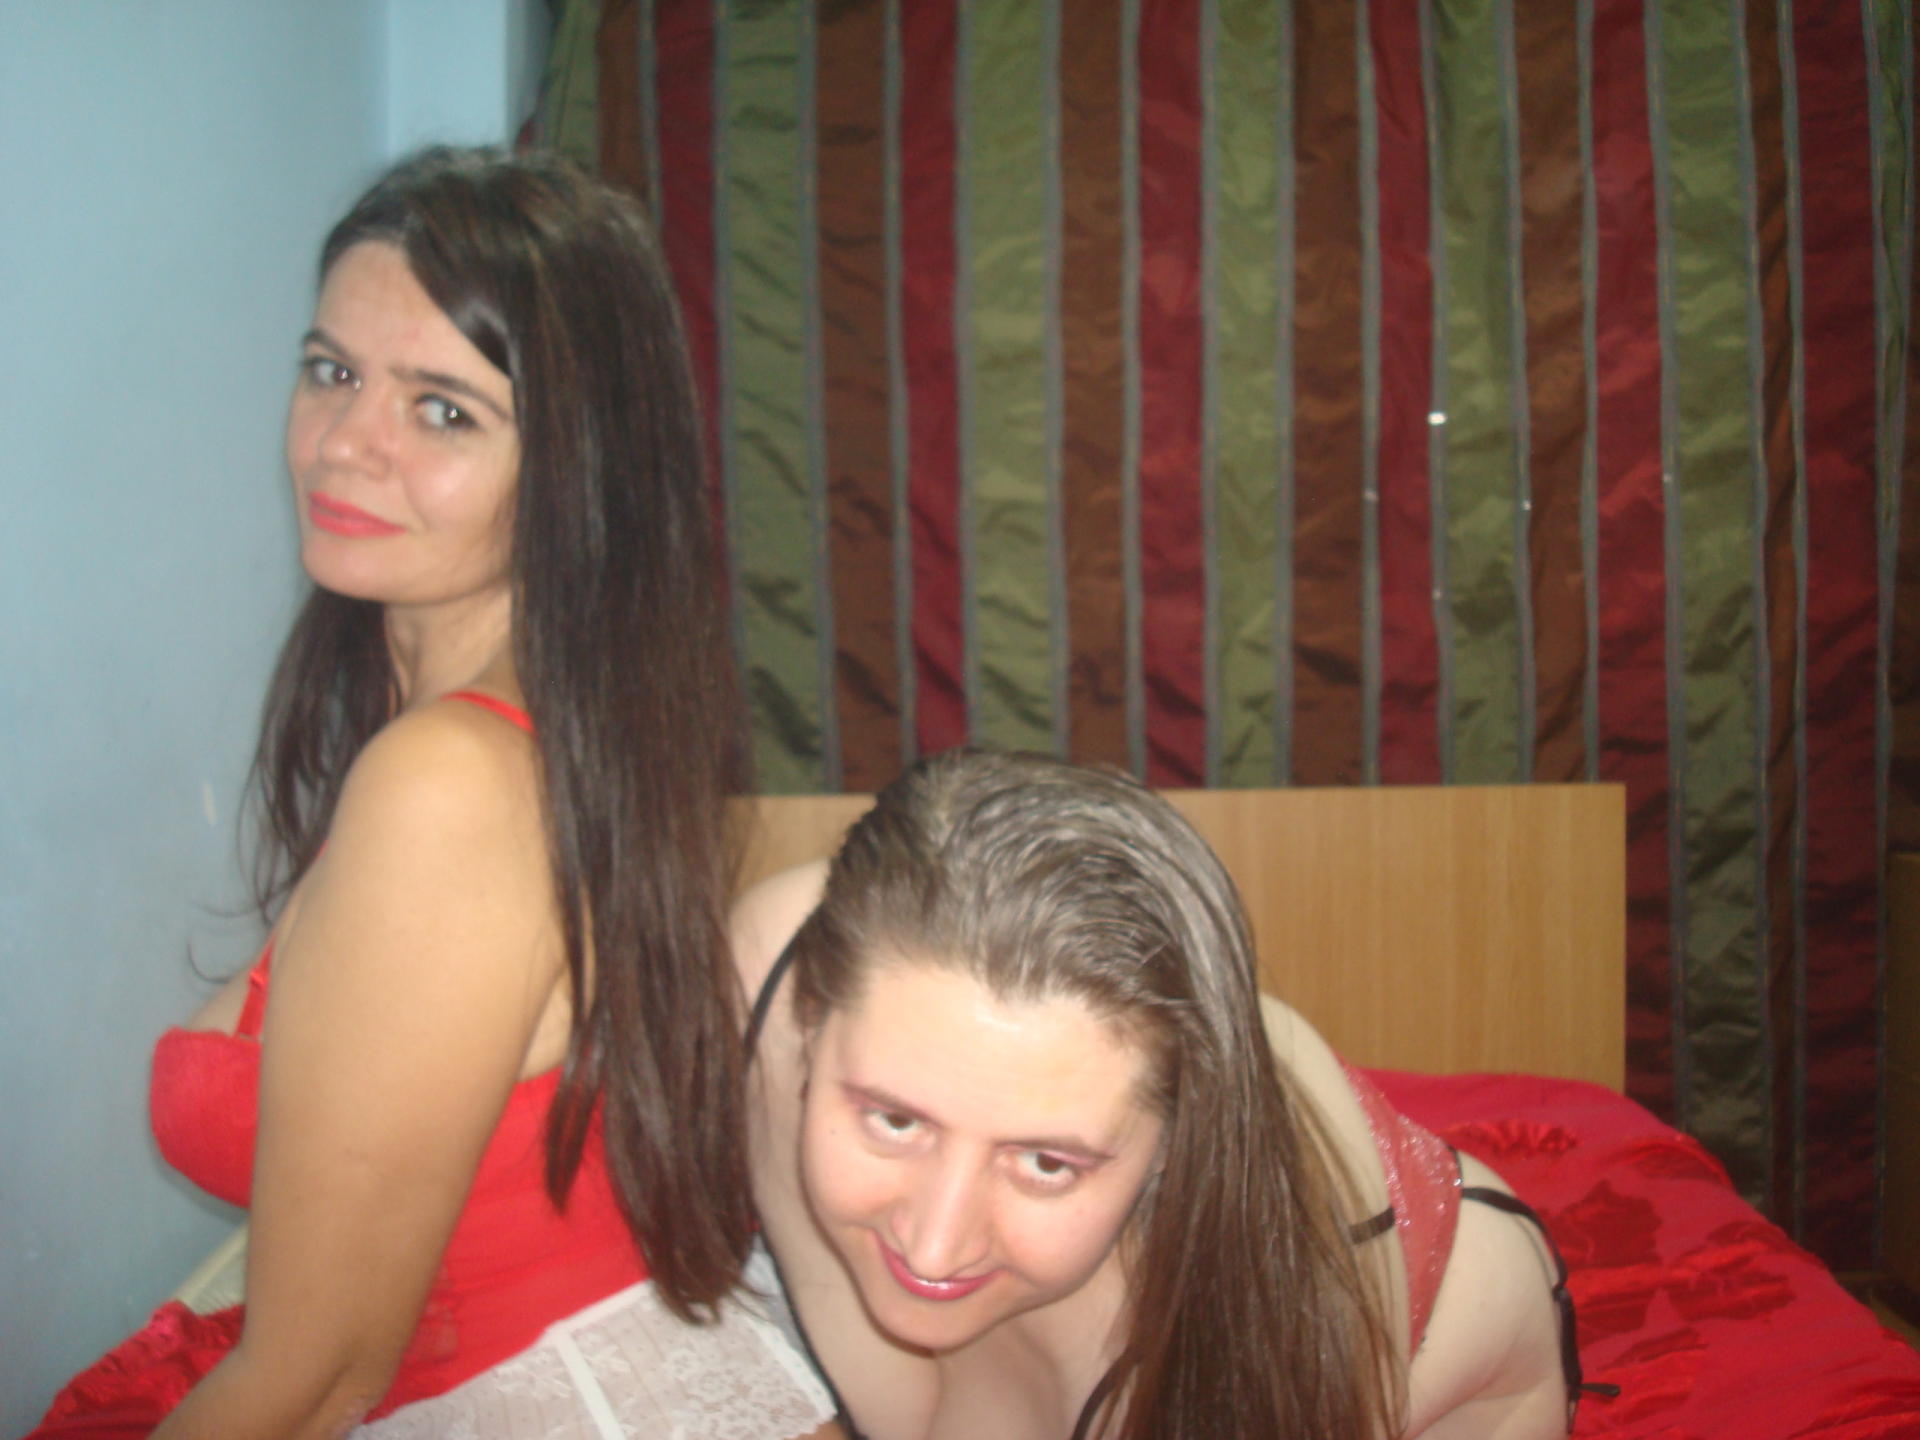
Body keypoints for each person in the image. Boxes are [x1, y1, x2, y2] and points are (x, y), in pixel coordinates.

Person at [31, 147, 836, 1439]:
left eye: (444, 411)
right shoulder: (554, 727)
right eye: (332, 371)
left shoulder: (449, 786)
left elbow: (315, 1382)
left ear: (576, 467)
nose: (346, 444)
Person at [734, 749, 1605, 1440]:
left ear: (1171, 1145)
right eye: (893, 1119)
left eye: (1046, 1164)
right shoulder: (770, 967)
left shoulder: (1248, 1336)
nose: (936, 1242)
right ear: (812, 1020)